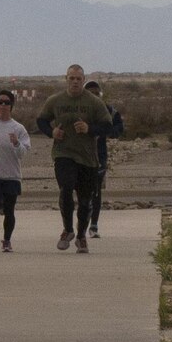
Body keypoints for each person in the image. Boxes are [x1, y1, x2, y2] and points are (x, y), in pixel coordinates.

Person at [36, 65, 111, 253]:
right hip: (64, 153)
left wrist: (89, 129)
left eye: (78, 79)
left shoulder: (94, 102)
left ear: (83, 80)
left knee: (85, 201)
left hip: (87, 158)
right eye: (72, 78)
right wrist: (51, 132)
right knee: (66, 188)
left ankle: (81, 236)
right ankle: (67, 229)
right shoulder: (56, 100)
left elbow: (108, 126)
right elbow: (41, 120)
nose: (75, 82)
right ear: (66, 79)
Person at [0, 91, 30, 251]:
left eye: (7, 103)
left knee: (9, 209)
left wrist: (16, 143)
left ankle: (7, 240)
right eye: (0, 102)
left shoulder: (18, 128)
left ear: (11, 106)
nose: (3, 105)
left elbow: (23, 153)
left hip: (11, 175)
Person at [82, 80, 124, 237]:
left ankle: (93, 225)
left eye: (96, 93)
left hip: (99, 156)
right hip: (78, 155)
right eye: (90, 93)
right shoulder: (77, 109)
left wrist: (105, 131)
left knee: (96, 192)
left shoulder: (109, 111)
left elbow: (119, 127)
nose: (93, 96)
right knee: (82, 192)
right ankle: (82, 223)